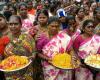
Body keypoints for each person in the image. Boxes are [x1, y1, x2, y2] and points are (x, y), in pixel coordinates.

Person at [4, 15, 36, 80]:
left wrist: (33, 57)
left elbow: (34, 51)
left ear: (21, 25)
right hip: (11, 72)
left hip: (26, 70)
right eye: (11, 24)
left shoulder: (28, 37)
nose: (13, 26)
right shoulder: (5, 39)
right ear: (8, 25)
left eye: (16, 24)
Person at [0, 13, 10, 80]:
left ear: (5, 19)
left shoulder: (14, 29)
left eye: (0, 20)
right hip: (2, 65)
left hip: (16, 62)